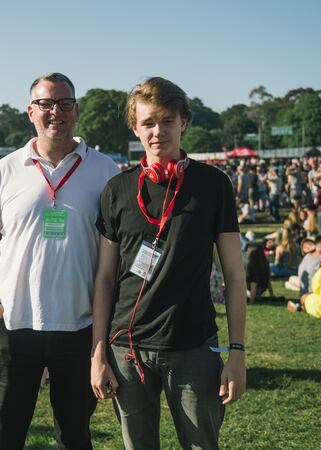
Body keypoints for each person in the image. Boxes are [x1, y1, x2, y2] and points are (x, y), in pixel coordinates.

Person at [91, 77, 246, 450]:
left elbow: (234, 276)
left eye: (167, 120)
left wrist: (237, 353)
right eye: (148, 123)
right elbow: (105, 279)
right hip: (127, 349)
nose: (157, 131)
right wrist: (98, 352)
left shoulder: (213, 184)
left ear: (184, 122)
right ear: (135, 128)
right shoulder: (117, 188)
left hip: (192, 345)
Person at [0, 72, 119, 449]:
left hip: (79, 325)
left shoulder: (105, 170)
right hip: (14, 324)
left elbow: (111, 257)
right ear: (30, 111)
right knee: (3, 435)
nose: (56, 112)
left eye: (64, 104)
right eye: (46, 104)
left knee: (74, 436)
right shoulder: (5, 169)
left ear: (77, 111)